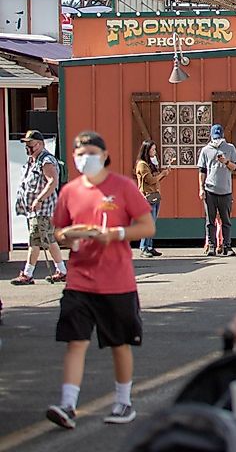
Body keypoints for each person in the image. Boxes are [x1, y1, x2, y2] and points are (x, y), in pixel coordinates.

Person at [46, 131, 155, 429]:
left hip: (116, 281)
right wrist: (70, 236)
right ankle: (67, 404)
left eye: (91, 153)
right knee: (75, 342)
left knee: (119, 343)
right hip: (79, 280)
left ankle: (123, 401)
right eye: (79, 154)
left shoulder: (123, 187)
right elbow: (59, 231)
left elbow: (146, 226)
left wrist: (117, 234)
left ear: (105, 155)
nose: (85, 159)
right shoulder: (69, 191)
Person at [13, 130, 68, 285]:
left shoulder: (46, 160)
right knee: (48, 239)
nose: (28, 148)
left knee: (35, 240)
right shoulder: (32, 160)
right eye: (26, 145)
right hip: (35, 210)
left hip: (43, 209)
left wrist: (39, 199)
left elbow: (52, 181)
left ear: (40, 144)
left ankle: (27, 274)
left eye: (31, 145)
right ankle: (62, 271)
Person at [197, 123, 236, 257]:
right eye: (215, 137)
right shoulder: (206, 150)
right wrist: (201, 188)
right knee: (210, 221)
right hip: (210, 189)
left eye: (218, 137)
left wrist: (225, 161)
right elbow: (202, 170)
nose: (217, 140)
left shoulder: (230, 148)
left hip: (225, 190)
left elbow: (235, 167)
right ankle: (211, 245)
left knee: (226, 220)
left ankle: (227, 245)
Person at [134, 141, 168, 258]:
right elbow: (150, 180)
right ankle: (144, 247)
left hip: (155, 195)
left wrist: (162, 174)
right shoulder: (142, 165)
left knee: (152, 223)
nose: (155, 152)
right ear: (147, 151)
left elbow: (156, 180)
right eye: (153, 150)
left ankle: (150, 246)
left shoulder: (151, 163)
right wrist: (162, 174)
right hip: (146, 196)